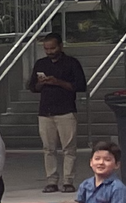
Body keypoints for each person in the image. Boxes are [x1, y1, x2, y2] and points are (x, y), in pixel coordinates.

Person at [29, 31, 87, 193]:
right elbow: (33, 87)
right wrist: (42, 83)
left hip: (66, 110)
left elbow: (80, 86)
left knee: (69, 148)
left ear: (60, 46)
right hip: (45, 111)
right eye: (46, 49)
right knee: (48, 148)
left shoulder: (71, 63)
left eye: (52, 48)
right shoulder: (41, 63)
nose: (49, 52)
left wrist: (58, 82)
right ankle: (51, 180)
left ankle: (68, 180)